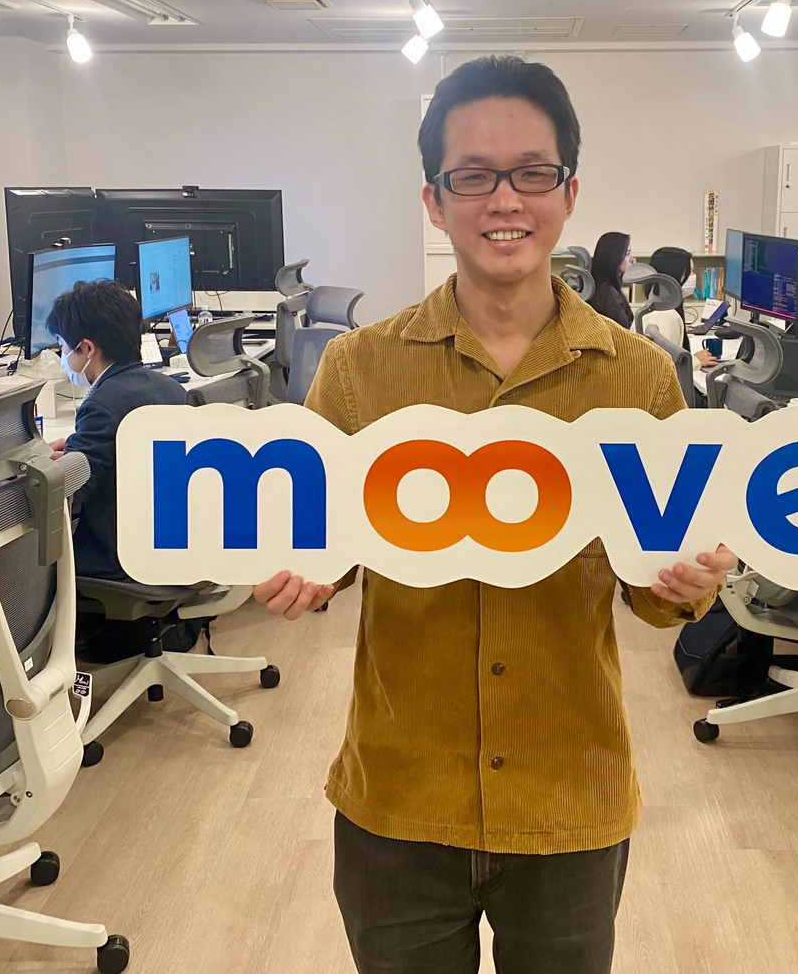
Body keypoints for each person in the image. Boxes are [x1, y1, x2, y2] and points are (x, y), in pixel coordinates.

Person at [251, 55, 733, 974]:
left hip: (569, 797)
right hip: (401, 799)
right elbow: (325, 543)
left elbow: (657, 594)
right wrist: (303, 574)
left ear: (569, 193)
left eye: (532, 173)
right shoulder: (359, 370)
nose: (504, 199)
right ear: (434, 202)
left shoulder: (639, 378)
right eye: (472, 176)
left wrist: (687, 585)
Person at [45, 279, 186, 581]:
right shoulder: (170, 388)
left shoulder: (100, 406)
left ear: (87, 349)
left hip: (117, 559)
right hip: (170, 543)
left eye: (62, 347)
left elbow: (73, 490)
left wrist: (44, 464)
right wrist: (77, 448)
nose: (62, 357)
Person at [586, 231, 634, 328]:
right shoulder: (607, 294)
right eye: (627, 253)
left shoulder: (606, 289)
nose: (632, 259)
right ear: (614, 257)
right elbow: (624, 331)